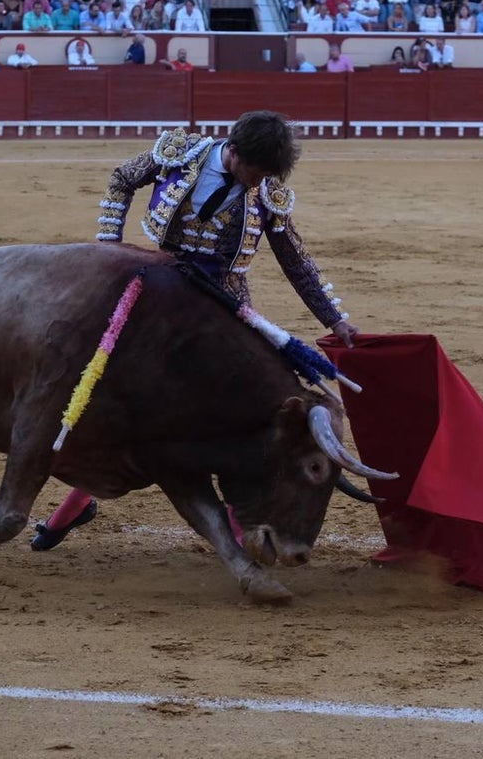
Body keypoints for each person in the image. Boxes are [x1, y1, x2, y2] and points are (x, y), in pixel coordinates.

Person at [31, 111, 360, 551]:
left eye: (264, 176)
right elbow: (122, 179)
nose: (254, 182)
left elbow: (295, 260)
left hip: (223, 310)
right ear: (234, 150)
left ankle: (241, 519)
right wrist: (108, 248)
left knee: (232, 414)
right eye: (252, 171)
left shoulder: (265, 192)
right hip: (158, 294)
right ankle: (75, 506)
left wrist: (334, 318)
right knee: (116, 396)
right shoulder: (181, 153)